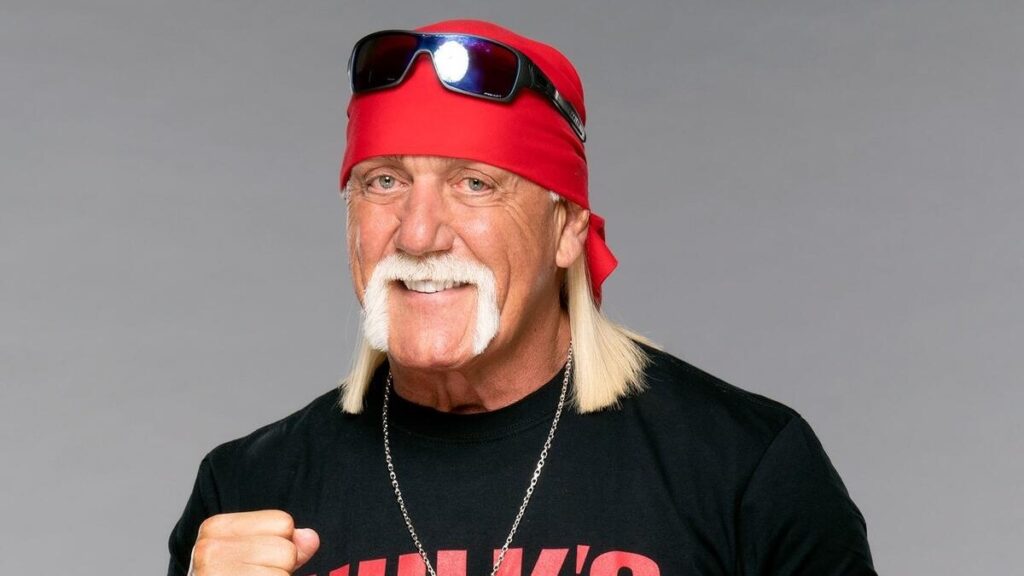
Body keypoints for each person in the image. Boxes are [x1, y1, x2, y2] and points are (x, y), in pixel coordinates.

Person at [168, 19, 876, 576]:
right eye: (383, 181)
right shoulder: (248, 491)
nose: (417, 233)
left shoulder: (743, 468)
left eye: (474, 184)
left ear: (567, 229)